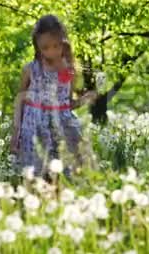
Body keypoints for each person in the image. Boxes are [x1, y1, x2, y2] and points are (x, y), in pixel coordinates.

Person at [10, 14, 97, 178]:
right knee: (36, 176)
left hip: (61, 127)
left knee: (67, 173)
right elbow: (20, 100)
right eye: (45, 47)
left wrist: (84, 100)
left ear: (64, 43)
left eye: (57, 46)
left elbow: (67, 103)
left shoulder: (69, 70)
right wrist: (16, 133)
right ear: (37, 46)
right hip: (34, 127)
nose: (52, 52)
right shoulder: (31, 70)